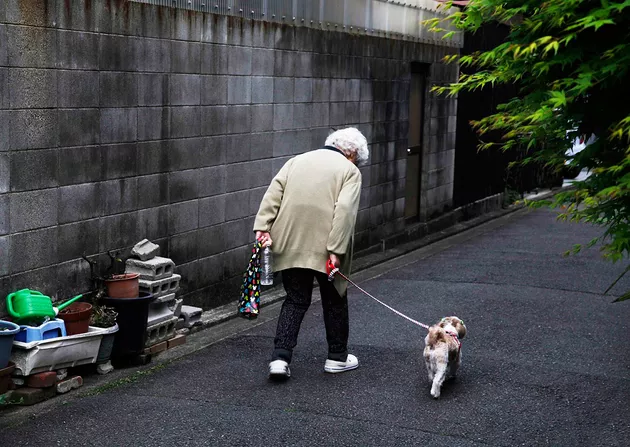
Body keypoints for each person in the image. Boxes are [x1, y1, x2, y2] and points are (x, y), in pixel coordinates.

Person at [253, 127, 368, 379]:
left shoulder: (296, 161)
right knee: (334, 299)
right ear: (352, 154)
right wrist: (336, 251)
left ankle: (280, 360)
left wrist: (263, 227)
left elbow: (273, 193)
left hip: (289, 242)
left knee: (295, 300)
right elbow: (345, 211)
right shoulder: (349, 171)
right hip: (325, 250)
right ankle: (337, 358)